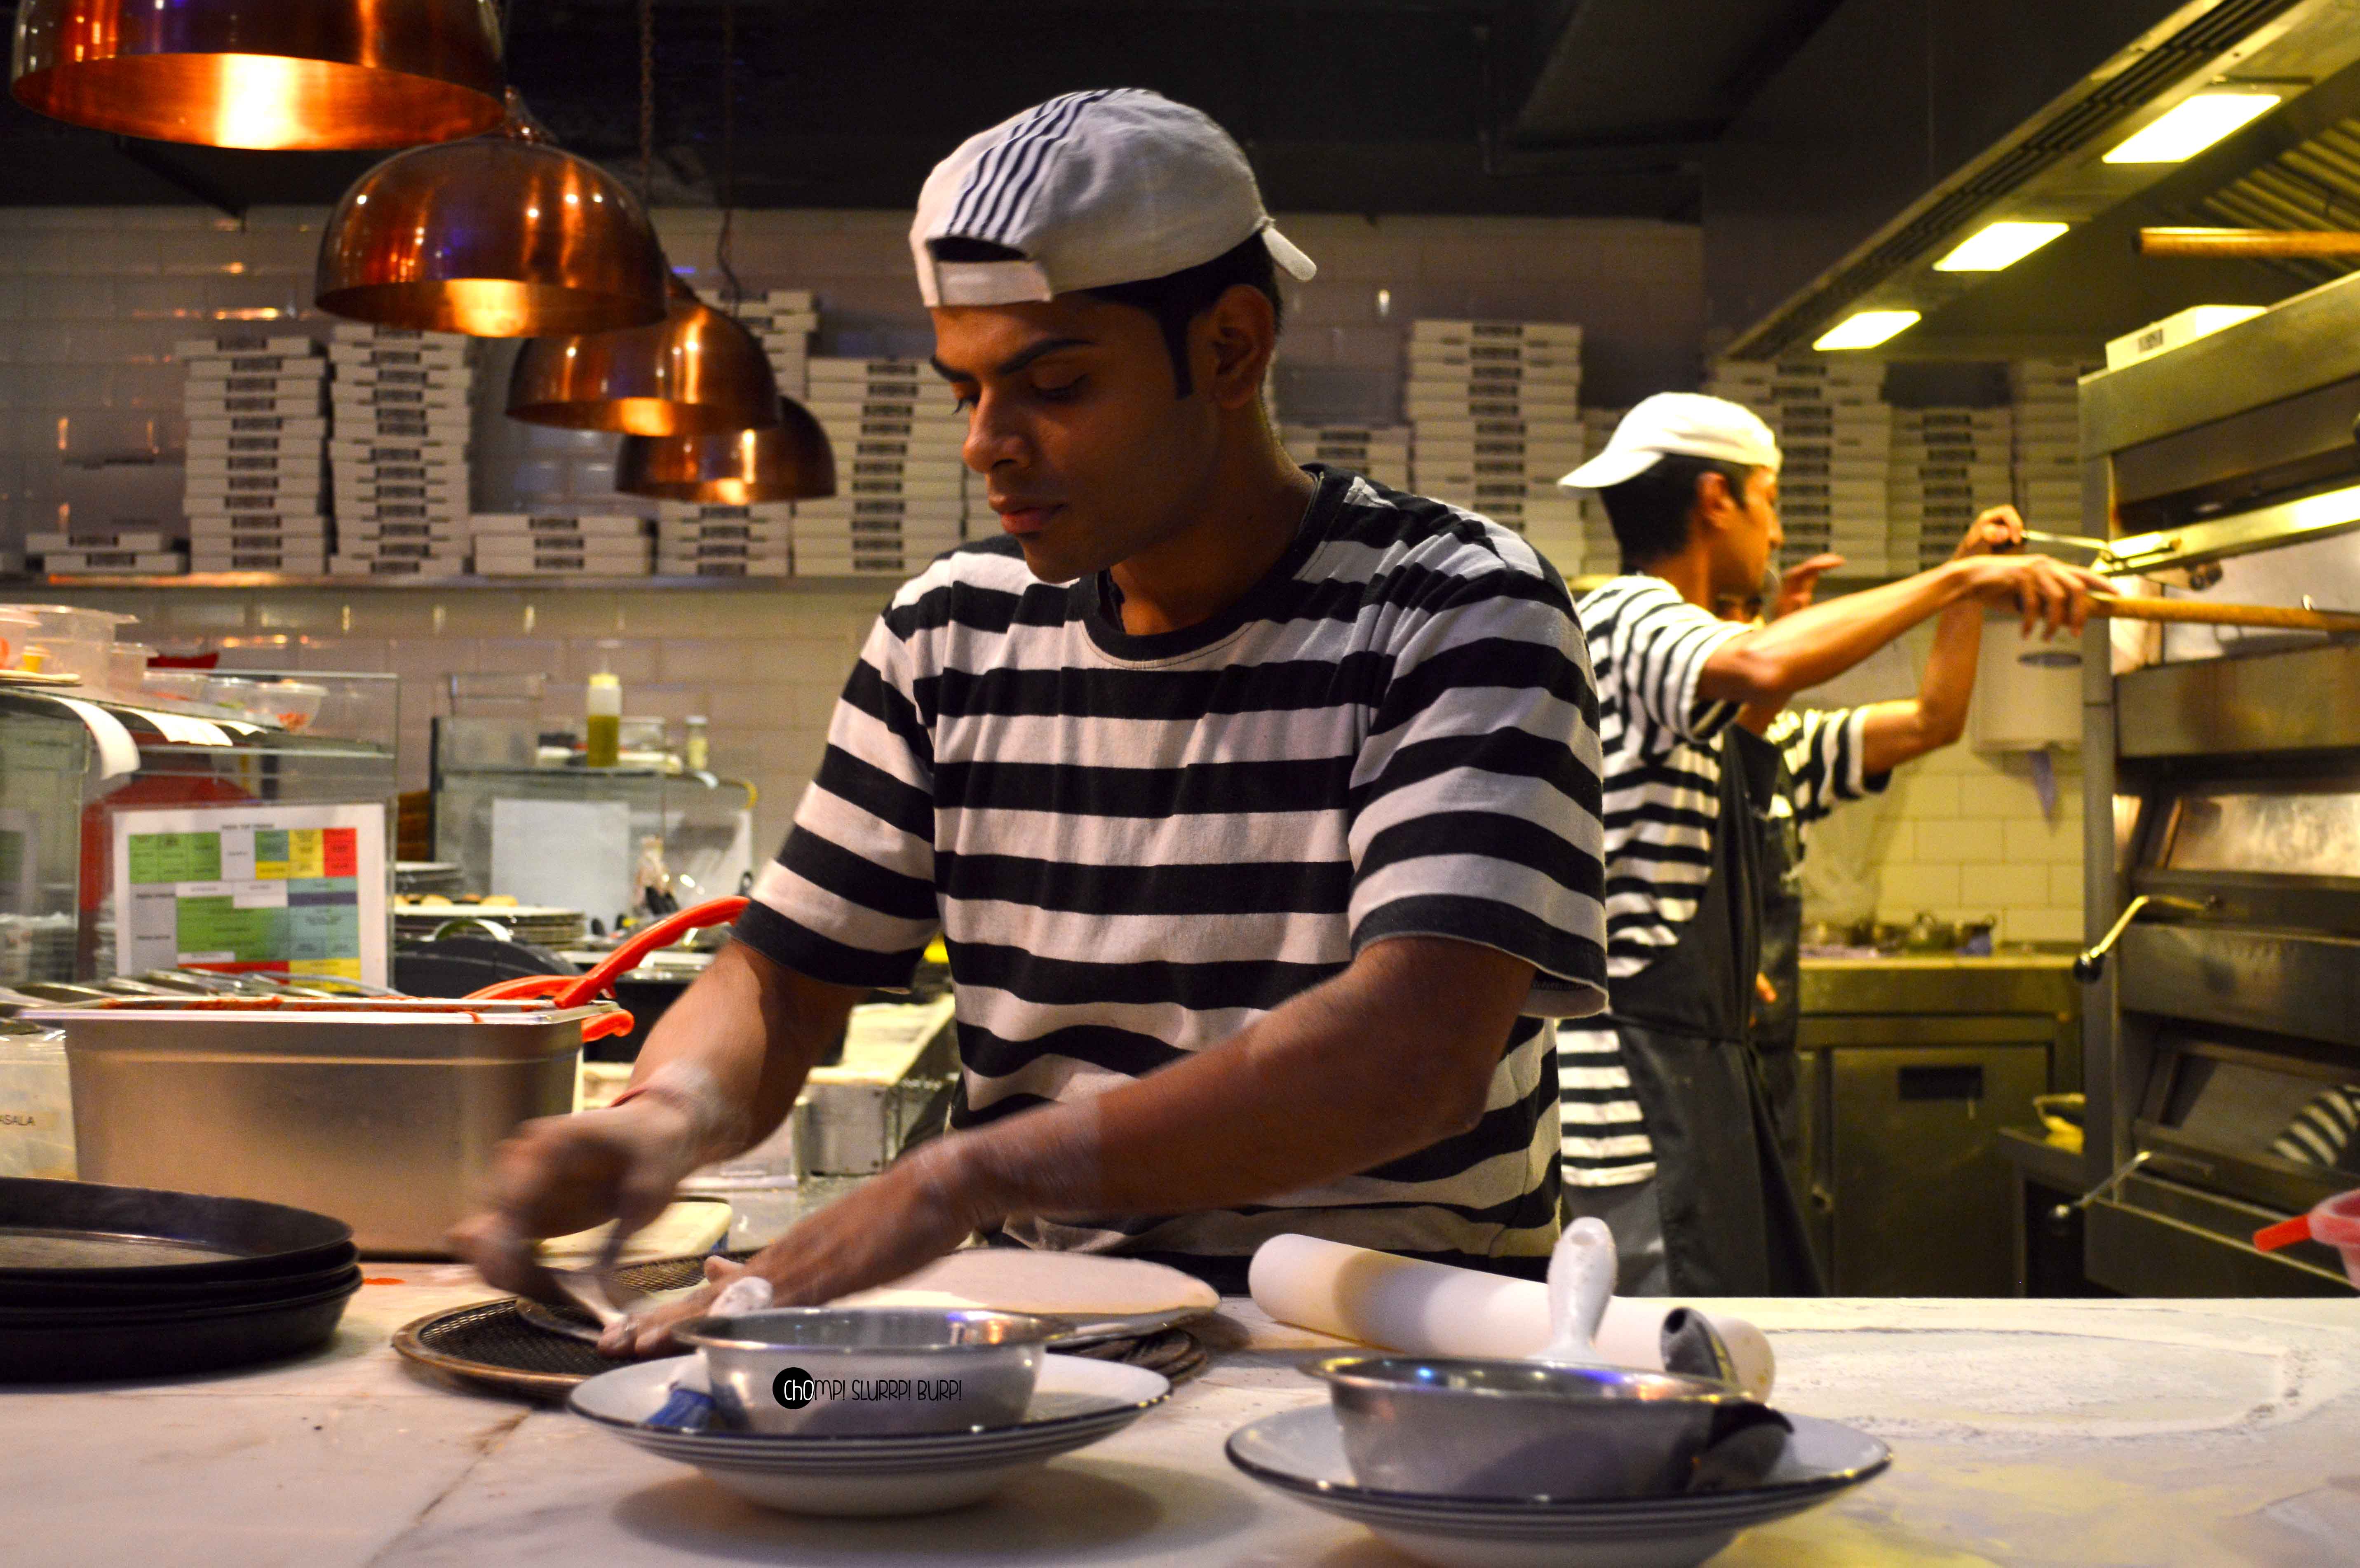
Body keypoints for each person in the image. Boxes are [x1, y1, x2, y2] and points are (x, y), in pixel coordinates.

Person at [454, 89, 1611, 1352]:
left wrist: (965, 1176)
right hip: (1036, 1358)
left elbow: (1410, 1054)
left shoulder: (1453, 606)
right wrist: (660, 1117)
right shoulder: (949, 632)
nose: (984, 444)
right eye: (964, 389)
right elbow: (782, 981)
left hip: (1383, 1357)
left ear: (1230, 349)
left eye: (1053, 384)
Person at [1553, 392, 2105, 1296]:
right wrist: (1955, 582)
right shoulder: (1624, 614)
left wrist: (1965, 582)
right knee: (1655, 1350)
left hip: (1697, 1089)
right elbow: (1760, 663)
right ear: (1716, 499)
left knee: (1719, 1337)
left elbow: (1930, 720)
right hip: (1633, 1100)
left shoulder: (1731, 739)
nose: (1776, 535)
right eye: (1770, 502)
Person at [1718, 511, 2017, 1188]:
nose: (1742, 631)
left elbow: (1932, 720)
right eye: (1725, 614)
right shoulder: (1655, 752)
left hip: (1766, 1068)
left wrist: (1965, 585)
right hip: (1676, 1079)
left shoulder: (1789, 746)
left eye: (1751, 615)